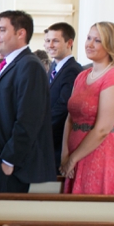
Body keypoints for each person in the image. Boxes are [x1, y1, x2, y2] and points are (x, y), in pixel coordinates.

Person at [0, 10, 56, 193]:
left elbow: (29, 119)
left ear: (20, 33)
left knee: (0, 218)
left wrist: (9, 159)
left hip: (8, 163)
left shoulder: (29, 65)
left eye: (2, 30)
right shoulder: (9, 63)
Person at [60, 23, 114, 194]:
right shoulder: (82, 76)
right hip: (75, 149)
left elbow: (102, 128)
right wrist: (65, 155)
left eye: (97, 40)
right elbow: (70, 118)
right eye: (88, 38)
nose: (90, 44)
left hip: (102, 153)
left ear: (110, 45)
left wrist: (73, 159)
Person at [45, 22, 82, 174]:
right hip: (49, 140)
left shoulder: (72, 70)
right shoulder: (53, 67)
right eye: (47, 41)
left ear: (69, 43)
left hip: (59, 139)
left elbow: (63, 107)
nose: (50, 45)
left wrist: (40, 129)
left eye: (55, 41)